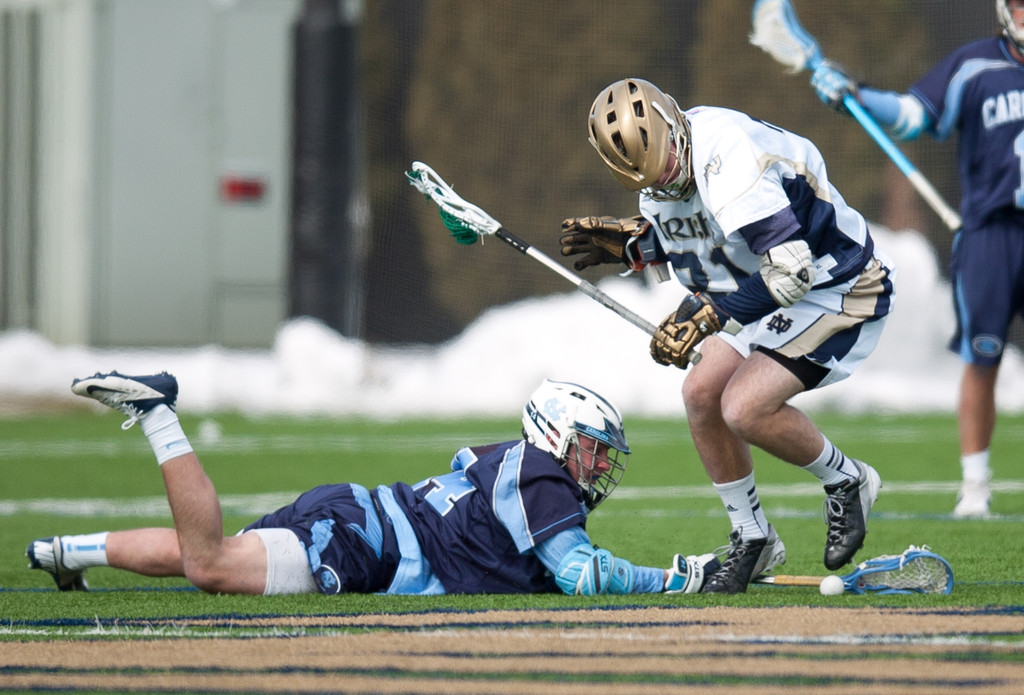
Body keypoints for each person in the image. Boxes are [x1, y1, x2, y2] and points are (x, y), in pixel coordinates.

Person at [559, 78, 895, 593]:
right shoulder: (660, 180)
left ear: (674, 124)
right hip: (768, 283)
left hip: (837, 281)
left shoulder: (728, 150)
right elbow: (716, 247)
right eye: (651, 177)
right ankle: (752, 535)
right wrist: (643, 248)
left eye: (669, 161)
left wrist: (710, 316)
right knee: (700, 394)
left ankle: (848, 479)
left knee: (744, 407)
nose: (666, 179)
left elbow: (790, 270)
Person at [26, 371, 720, 596]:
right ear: (557, 435)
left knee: (205, 550)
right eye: (595, 450)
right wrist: (676, 579)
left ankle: (69, 550)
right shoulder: (541, 473)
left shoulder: (511, 461)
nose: (600, 467)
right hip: (364, 543)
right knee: (211, 563)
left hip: (354, 514)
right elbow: (583, 576)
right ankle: (158, 412)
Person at [808, 1, 1024, 519]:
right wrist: (856, 97)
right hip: (992, 234)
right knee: (983, 357)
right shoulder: (975, 66)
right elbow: (911, 116)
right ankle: (975, 487)